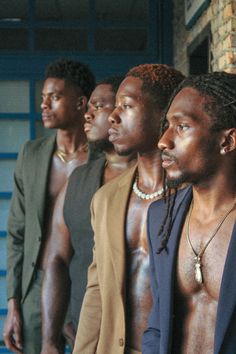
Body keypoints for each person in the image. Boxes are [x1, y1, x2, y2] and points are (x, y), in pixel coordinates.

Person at [73, 64, 185, 354]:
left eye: (127, 105)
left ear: (164, 114)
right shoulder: (106, 199)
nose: (112, 115)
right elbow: (97, 290)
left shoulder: (196, 196)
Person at [3, 58, 97, 354]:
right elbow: (17, 233)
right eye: (43, 98)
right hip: (36, 287)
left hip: (86, 286)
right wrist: (13, 301)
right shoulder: (31, 155)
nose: (44, 105)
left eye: (54, 97)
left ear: (81, 103)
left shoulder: (102, 159)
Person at [40, 76, 136, 354]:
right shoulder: (78, 180)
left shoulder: (156, 181)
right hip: (87, 329)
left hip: (141, 334)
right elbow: (56, 258)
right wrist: (50, 337)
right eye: (88, 105)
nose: (88, 113)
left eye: (99, 105)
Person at [142, 72, 236, 354]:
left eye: (182, 127)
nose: (163, 141)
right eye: (167, 126)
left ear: (227, 141)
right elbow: (158, 325)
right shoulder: (161, 217)